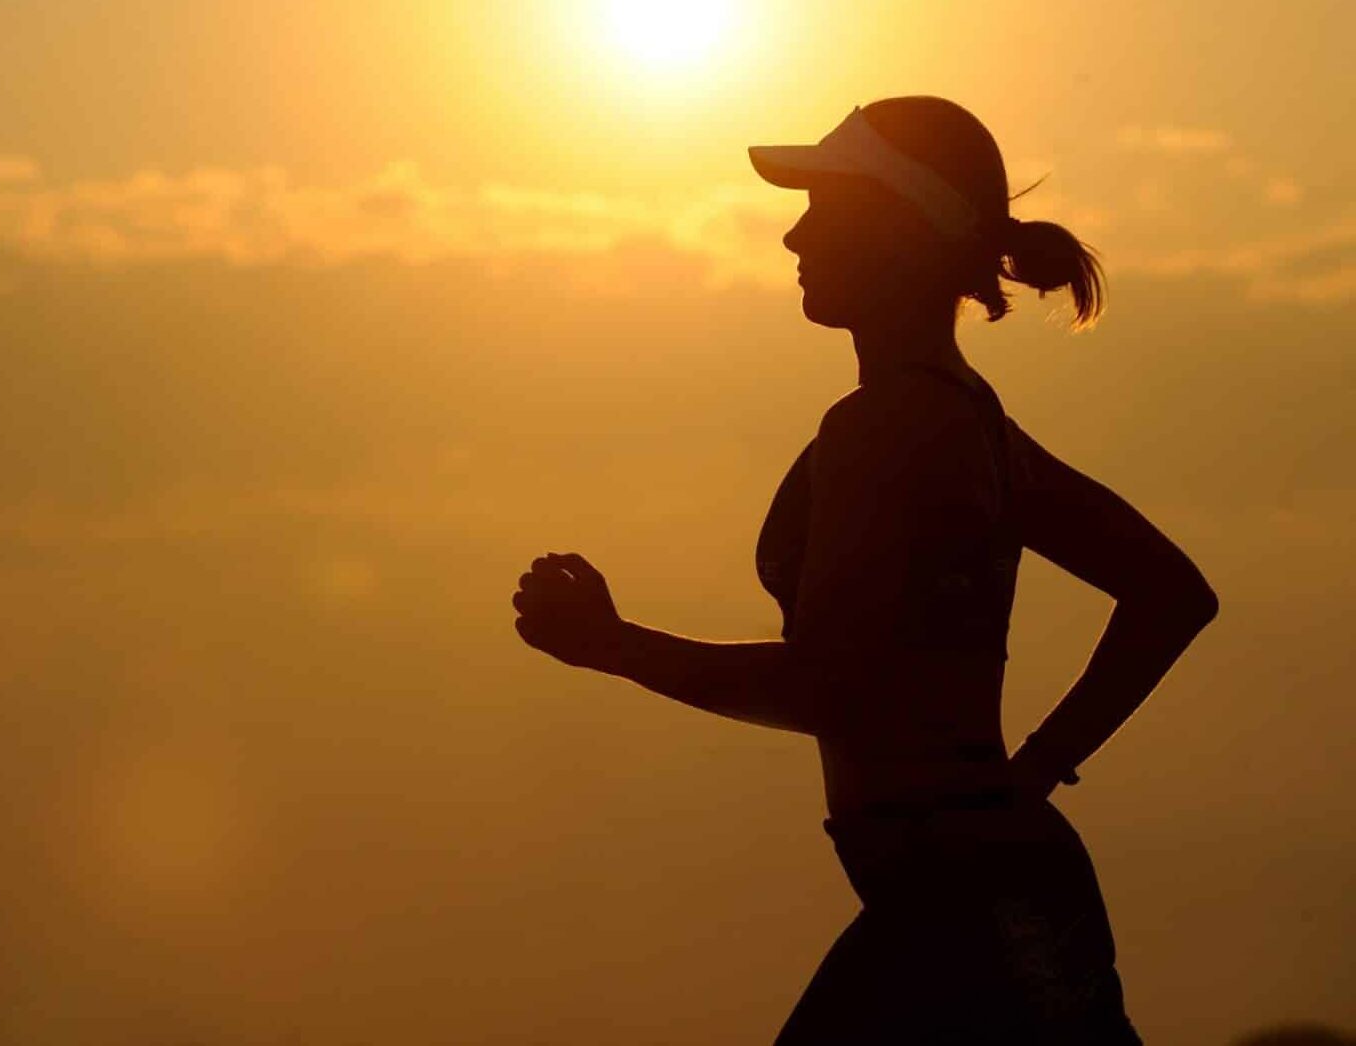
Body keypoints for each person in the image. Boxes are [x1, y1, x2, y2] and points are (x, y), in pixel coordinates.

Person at [509, 96, 1218, 1043]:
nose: (793, 235)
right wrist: (1035, 769)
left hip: (968, 918)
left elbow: (833, 689)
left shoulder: (890, 427)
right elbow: (1173, 594)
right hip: (981, 901)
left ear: (901, 230)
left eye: (824, 208)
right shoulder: (968, 421)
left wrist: (616, 646)